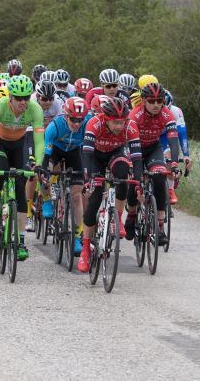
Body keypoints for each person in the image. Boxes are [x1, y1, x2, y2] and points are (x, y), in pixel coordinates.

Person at [0, 75, 45, 261]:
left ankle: (20, 240)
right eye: (18, 98)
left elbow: (39, 142)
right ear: (11, 97)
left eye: (26, 97)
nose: (23, 102)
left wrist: (39, 164)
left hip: (19, 145)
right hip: (0, 144)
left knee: (20, 188)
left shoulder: (35, 109)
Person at [78, 97, 143, 273]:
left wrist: (138, 182)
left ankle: (118, 219)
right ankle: (85, 249)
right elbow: (86, 154)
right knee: (95, 199)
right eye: (115, 122)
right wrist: (87, 180)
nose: (119, 126)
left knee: (123, 176)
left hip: (116, 153)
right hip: (94, 157)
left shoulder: (130, 126)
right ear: (106, 118)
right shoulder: (94, 123)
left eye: (122, 122)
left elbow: (137, 158)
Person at [125, 83, 181, 244]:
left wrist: (175, 163)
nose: (156, 105)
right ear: (143, 101)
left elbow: (173, 138)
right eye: (152, 101)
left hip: (153, 148)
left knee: (159, 177)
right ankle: (132, 216)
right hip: (134, 148)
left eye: (159, 100)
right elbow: (128, 142)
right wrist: (131, 165)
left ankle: (160, 226)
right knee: (134, 180)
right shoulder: (135, 115)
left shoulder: (166, 114)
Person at [41, 97, 90, 258]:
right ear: (66, 116)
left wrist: (87, 172)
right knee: (45, 173)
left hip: (74, 152)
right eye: (74, 119)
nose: (77, 124)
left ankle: (77, 236)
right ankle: (47, 200)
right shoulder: (55, 126)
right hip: (55, 150)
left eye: (80, 120)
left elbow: (90, 152)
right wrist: (45, 172)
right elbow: (46, 154)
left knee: (77, 195)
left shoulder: (86, 125)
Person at [25, 80, 63, 231]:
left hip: (51, 136)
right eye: (44, 99)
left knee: (57, 164)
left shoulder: (58, 103)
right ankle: (28, 214)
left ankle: (50, 187)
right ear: (38, 96)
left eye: (51, 99)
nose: (48, 102)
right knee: (33, 173)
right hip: (32, 135)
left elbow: (61, 125)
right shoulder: (31, 103)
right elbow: (28, 133)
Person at [160, 89, 191, 204]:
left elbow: (182, 134)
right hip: (153, 135)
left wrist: (186, 155)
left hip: (166, 135)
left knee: (171, 156)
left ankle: (170, 189)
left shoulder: (176, 111)